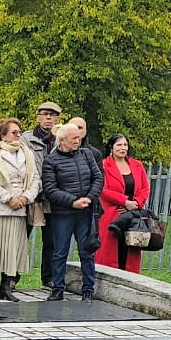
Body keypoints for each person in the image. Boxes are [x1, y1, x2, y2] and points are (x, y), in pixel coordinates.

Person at [37, 116, 102, 300]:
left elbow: (98, 178)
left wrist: (89, 198)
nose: (77, 140)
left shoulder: (87, 155)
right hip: (63, 213)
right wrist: (72, 201)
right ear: (62, 140)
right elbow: (50, 189)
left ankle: (88, 289)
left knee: (87, 251)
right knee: (60, 252)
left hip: (85, 211)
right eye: (73, 138)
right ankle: (58, 288)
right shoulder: (51, 161)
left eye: (79, 137)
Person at [0, 118, 40, 302]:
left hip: (19, 208)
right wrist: (8, 198)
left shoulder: (27, 154)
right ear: (2, 135)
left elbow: (35, 178)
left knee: (12, 249)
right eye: (14, 132)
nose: (18, 135)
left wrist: (25, 197)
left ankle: (6, 286)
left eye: (19, 132)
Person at [96, 135, 149, 274]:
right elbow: (103, 189)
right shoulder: (103, 165)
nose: (123, 148)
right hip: (112, 214)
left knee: (131, 250)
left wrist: (136, 203)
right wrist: (124, 202)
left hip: (133, 216)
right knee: (110, 250)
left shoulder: (137, 165)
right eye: (119, 145)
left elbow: (145, 188)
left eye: (125, 145)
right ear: (111, 148)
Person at [26, 101, 62, 166]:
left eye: (52, 114)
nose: (48, 117)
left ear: (58, 119)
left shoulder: (63, 139)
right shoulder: (26, 139)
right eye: (45, 114)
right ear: (38, 118)